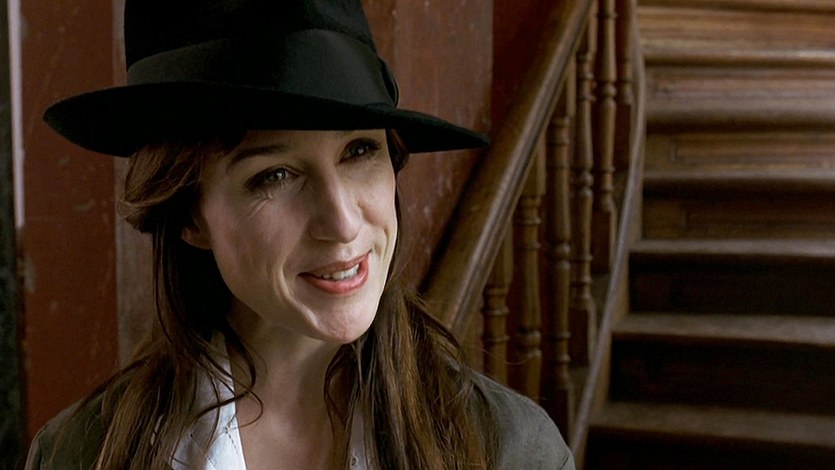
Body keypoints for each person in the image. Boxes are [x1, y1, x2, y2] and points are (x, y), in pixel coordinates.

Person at [26, 0, 575, 469]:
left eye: (359, 150)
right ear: (190, 215)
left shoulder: (511, 450)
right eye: (276, 175)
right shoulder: (82, 454)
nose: (343, 222)